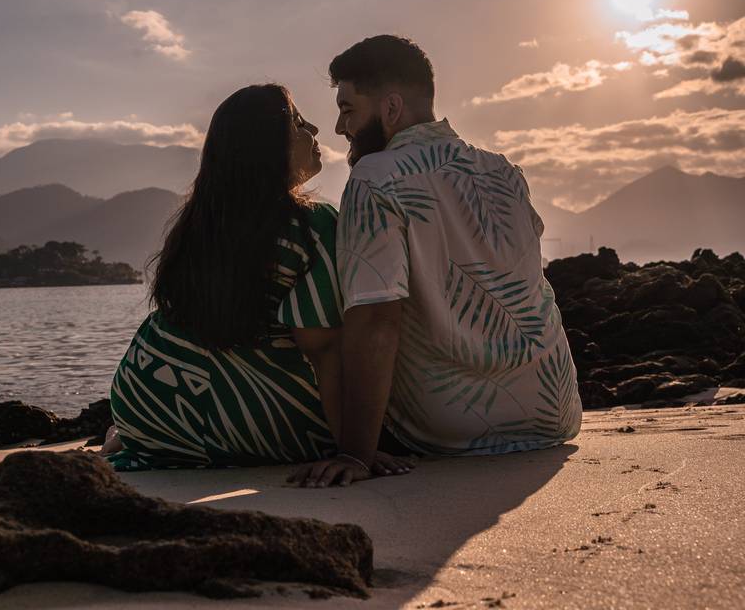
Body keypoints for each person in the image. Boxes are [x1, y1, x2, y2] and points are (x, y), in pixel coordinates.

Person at [290, 35, 582, 487]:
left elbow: (376, 321)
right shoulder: (503, 169)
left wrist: (355, 453)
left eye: (348, 109)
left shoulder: (374, 178)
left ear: (390, 109)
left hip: (453, 431)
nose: (338, 128)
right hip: (555, 415)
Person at [101, 83, 412, 479]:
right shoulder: (311, 225)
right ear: (267, 145)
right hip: (247, 420)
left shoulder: (200, 223)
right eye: (299, 122)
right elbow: (324, 349)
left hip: (146, 400)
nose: (314, 129)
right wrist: (356, 452)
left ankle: (131, 437)